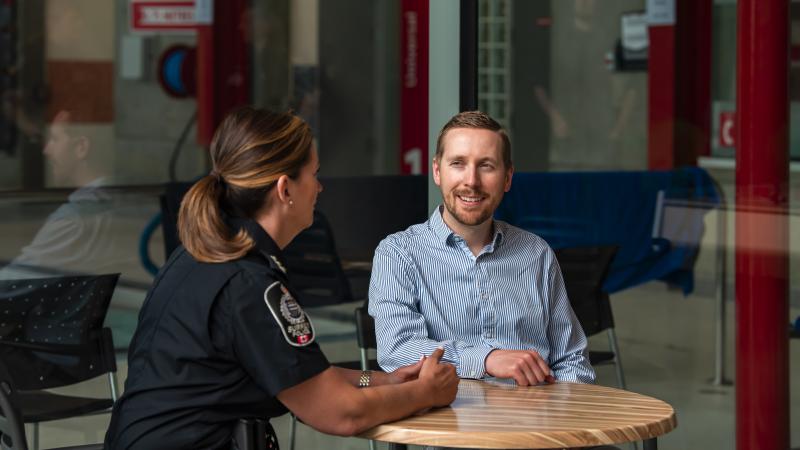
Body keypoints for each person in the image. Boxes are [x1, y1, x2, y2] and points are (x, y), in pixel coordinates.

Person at [104, 107, 459, 449]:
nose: (319, 188)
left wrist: (386, 380)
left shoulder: (202, 253)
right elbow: (340, 413)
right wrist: (426, 392)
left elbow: (301, 376)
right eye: (314, 175)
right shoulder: (249, 285)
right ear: (284, 189)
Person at [369, 110, 594, 386]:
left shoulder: (537, 254)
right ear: (437, 171)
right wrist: (487, 358)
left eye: (486, 165)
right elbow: (399, 350)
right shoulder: (398, 254)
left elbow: (571, 360)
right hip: (446, 422)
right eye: (458, 164)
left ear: (508, 178)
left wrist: (566, 417)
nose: (471, 181)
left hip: (533, 422)